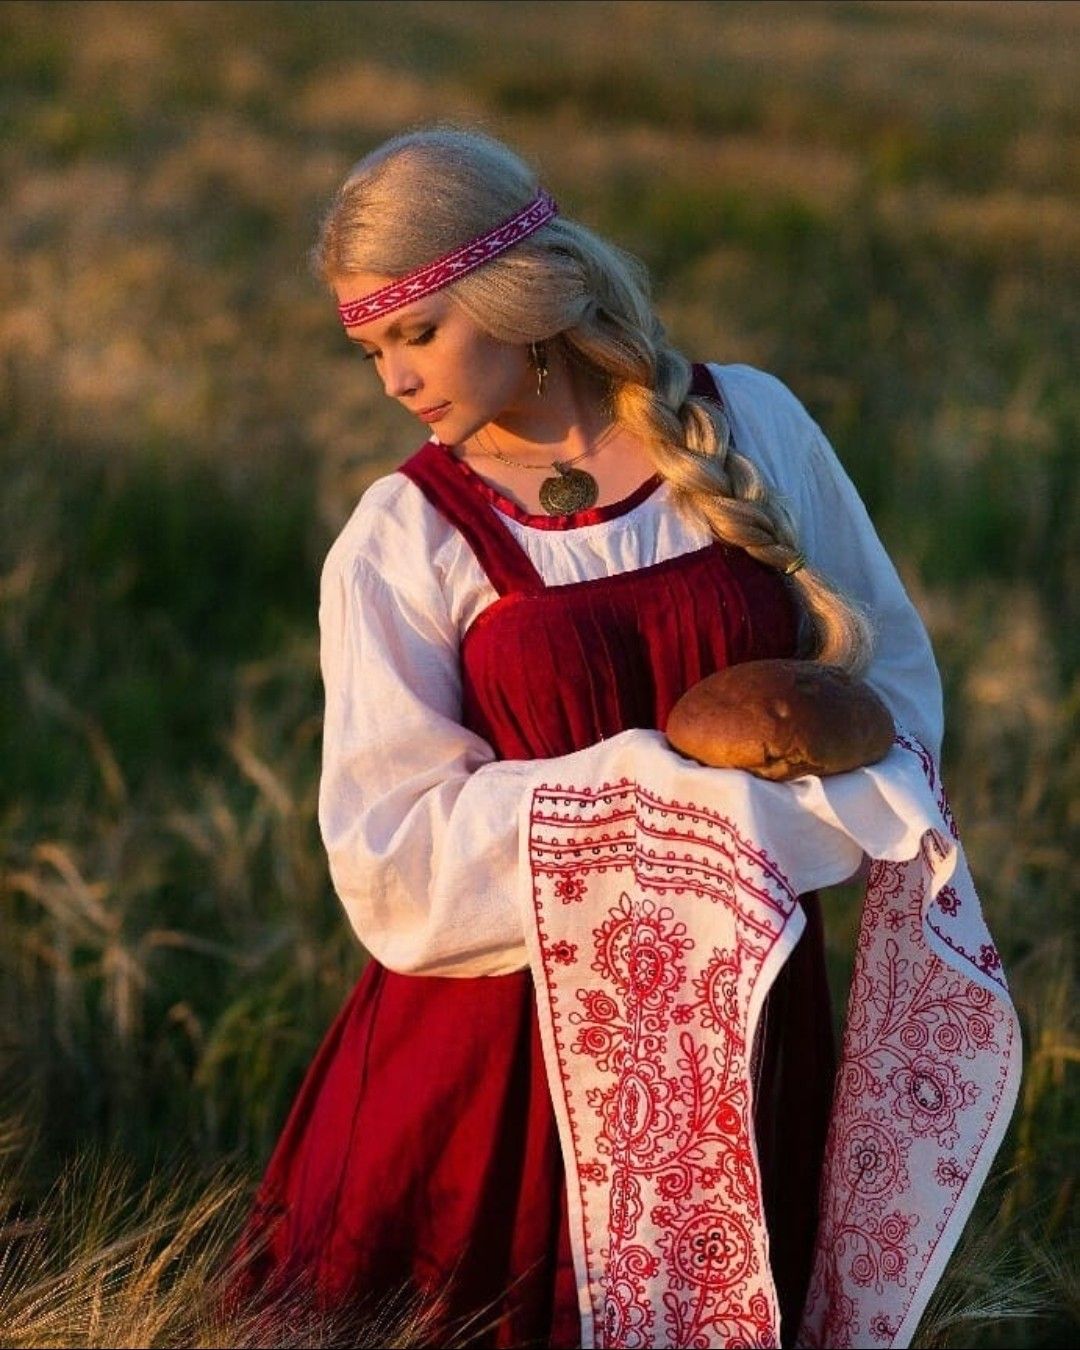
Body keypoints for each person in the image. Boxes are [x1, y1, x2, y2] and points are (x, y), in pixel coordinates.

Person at [230, 127, 943, 1348]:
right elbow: (390, 852)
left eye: (419, 331)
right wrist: (660, 796)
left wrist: (763, 831)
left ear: (520, 292)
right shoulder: (404, 536)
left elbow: (895, 695)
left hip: (743, 1014)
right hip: (503, 1047)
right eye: (370, 350)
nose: (396, 381)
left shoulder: (746, 425)